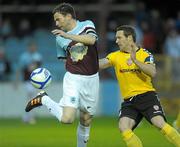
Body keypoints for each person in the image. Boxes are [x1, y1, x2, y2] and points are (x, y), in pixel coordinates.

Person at [25, 3, 99, 147]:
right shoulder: (59, 38)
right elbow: (68, 59)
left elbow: (91, 40)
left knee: (86, 120)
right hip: (74, 78)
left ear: (69, 16)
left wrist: (67, 35)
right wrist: (64, 37)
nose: (56, 23)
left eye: (58, 19)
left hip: (92, 79)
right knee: (67, 119)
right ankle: (45, 99)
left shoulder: (86, 25)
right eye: (55, 20)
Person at [99, 25, 180, 147]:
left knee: (159, 123)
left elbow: (152, 72)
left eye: (119, 38)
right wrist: (84, 59)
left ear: (129, 38)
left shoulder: (144, 54)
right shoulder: (115, 55)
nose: (116, 41)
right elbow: (101, 63)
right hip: (129, 101)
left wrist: (136, 61)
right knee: (123, 127)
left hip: (146, 96)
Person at [17, 42, 42, 124]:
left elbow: (38, 67)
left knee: (31, 98)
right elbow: (20, 68)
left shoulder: (38, 56)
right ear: (28, 47)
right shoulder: (24, 56)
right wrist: (16, 80)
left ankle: (27, 117)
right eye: (31, 46)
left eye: (34, 46)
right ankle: (30, 117)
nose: (33, 48)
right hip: (27, 80)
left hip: (35, 80)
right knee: (31, 97)